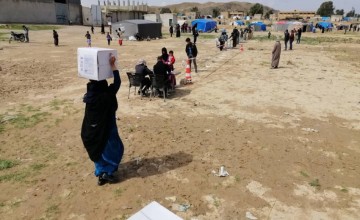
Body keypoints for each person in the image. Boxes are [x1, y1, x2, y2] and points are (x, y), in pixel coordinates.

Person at [81, 55, 124, 186]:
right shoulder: (107, 94)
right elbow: (117, 83)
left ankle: (100, 173)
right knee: (112, 149)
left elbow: (94, 80)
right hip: (106, 128)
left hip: (90, 130)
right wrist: (112, 66)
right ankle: (108, 173)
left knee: (97, 150)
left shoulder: (90, 96)